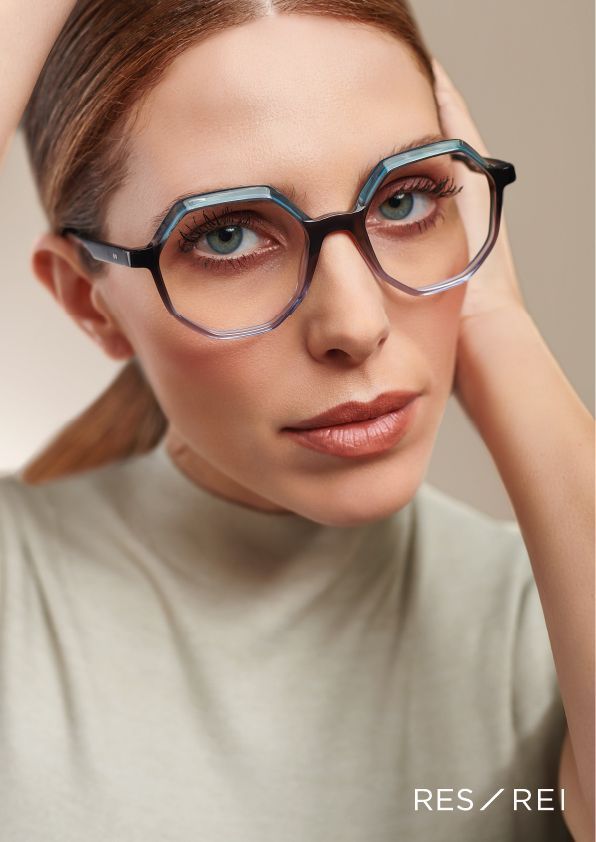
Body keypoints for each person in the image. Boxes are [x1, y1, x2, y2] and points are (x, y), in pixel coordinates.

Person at [0, 1, 593, 840]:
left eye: (405, 199)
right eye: (230, 234)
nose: (355, 324)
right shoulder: (18, 595)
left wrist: (500, 330)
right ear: (88, 301)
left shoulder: (549, 621)